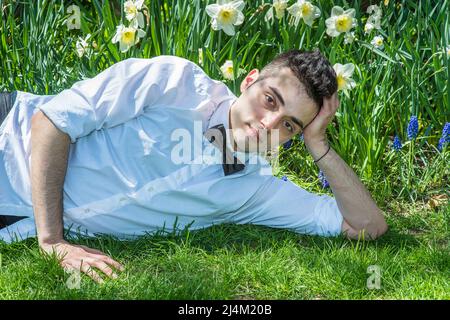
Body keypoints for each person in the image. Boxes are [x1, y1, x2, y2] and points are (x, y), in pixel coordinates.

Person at [0, 49, 388, 283]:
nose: (269, 125)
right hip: (8, 138)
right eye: (270, 100)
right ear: (249, 81)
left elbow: (367, 227)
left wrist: (317, 143)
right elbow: (51, 123)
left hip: (14, 221)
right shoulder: (173, 81)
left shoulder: (256, 191)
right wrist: (54, 242)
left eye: (290, 125)